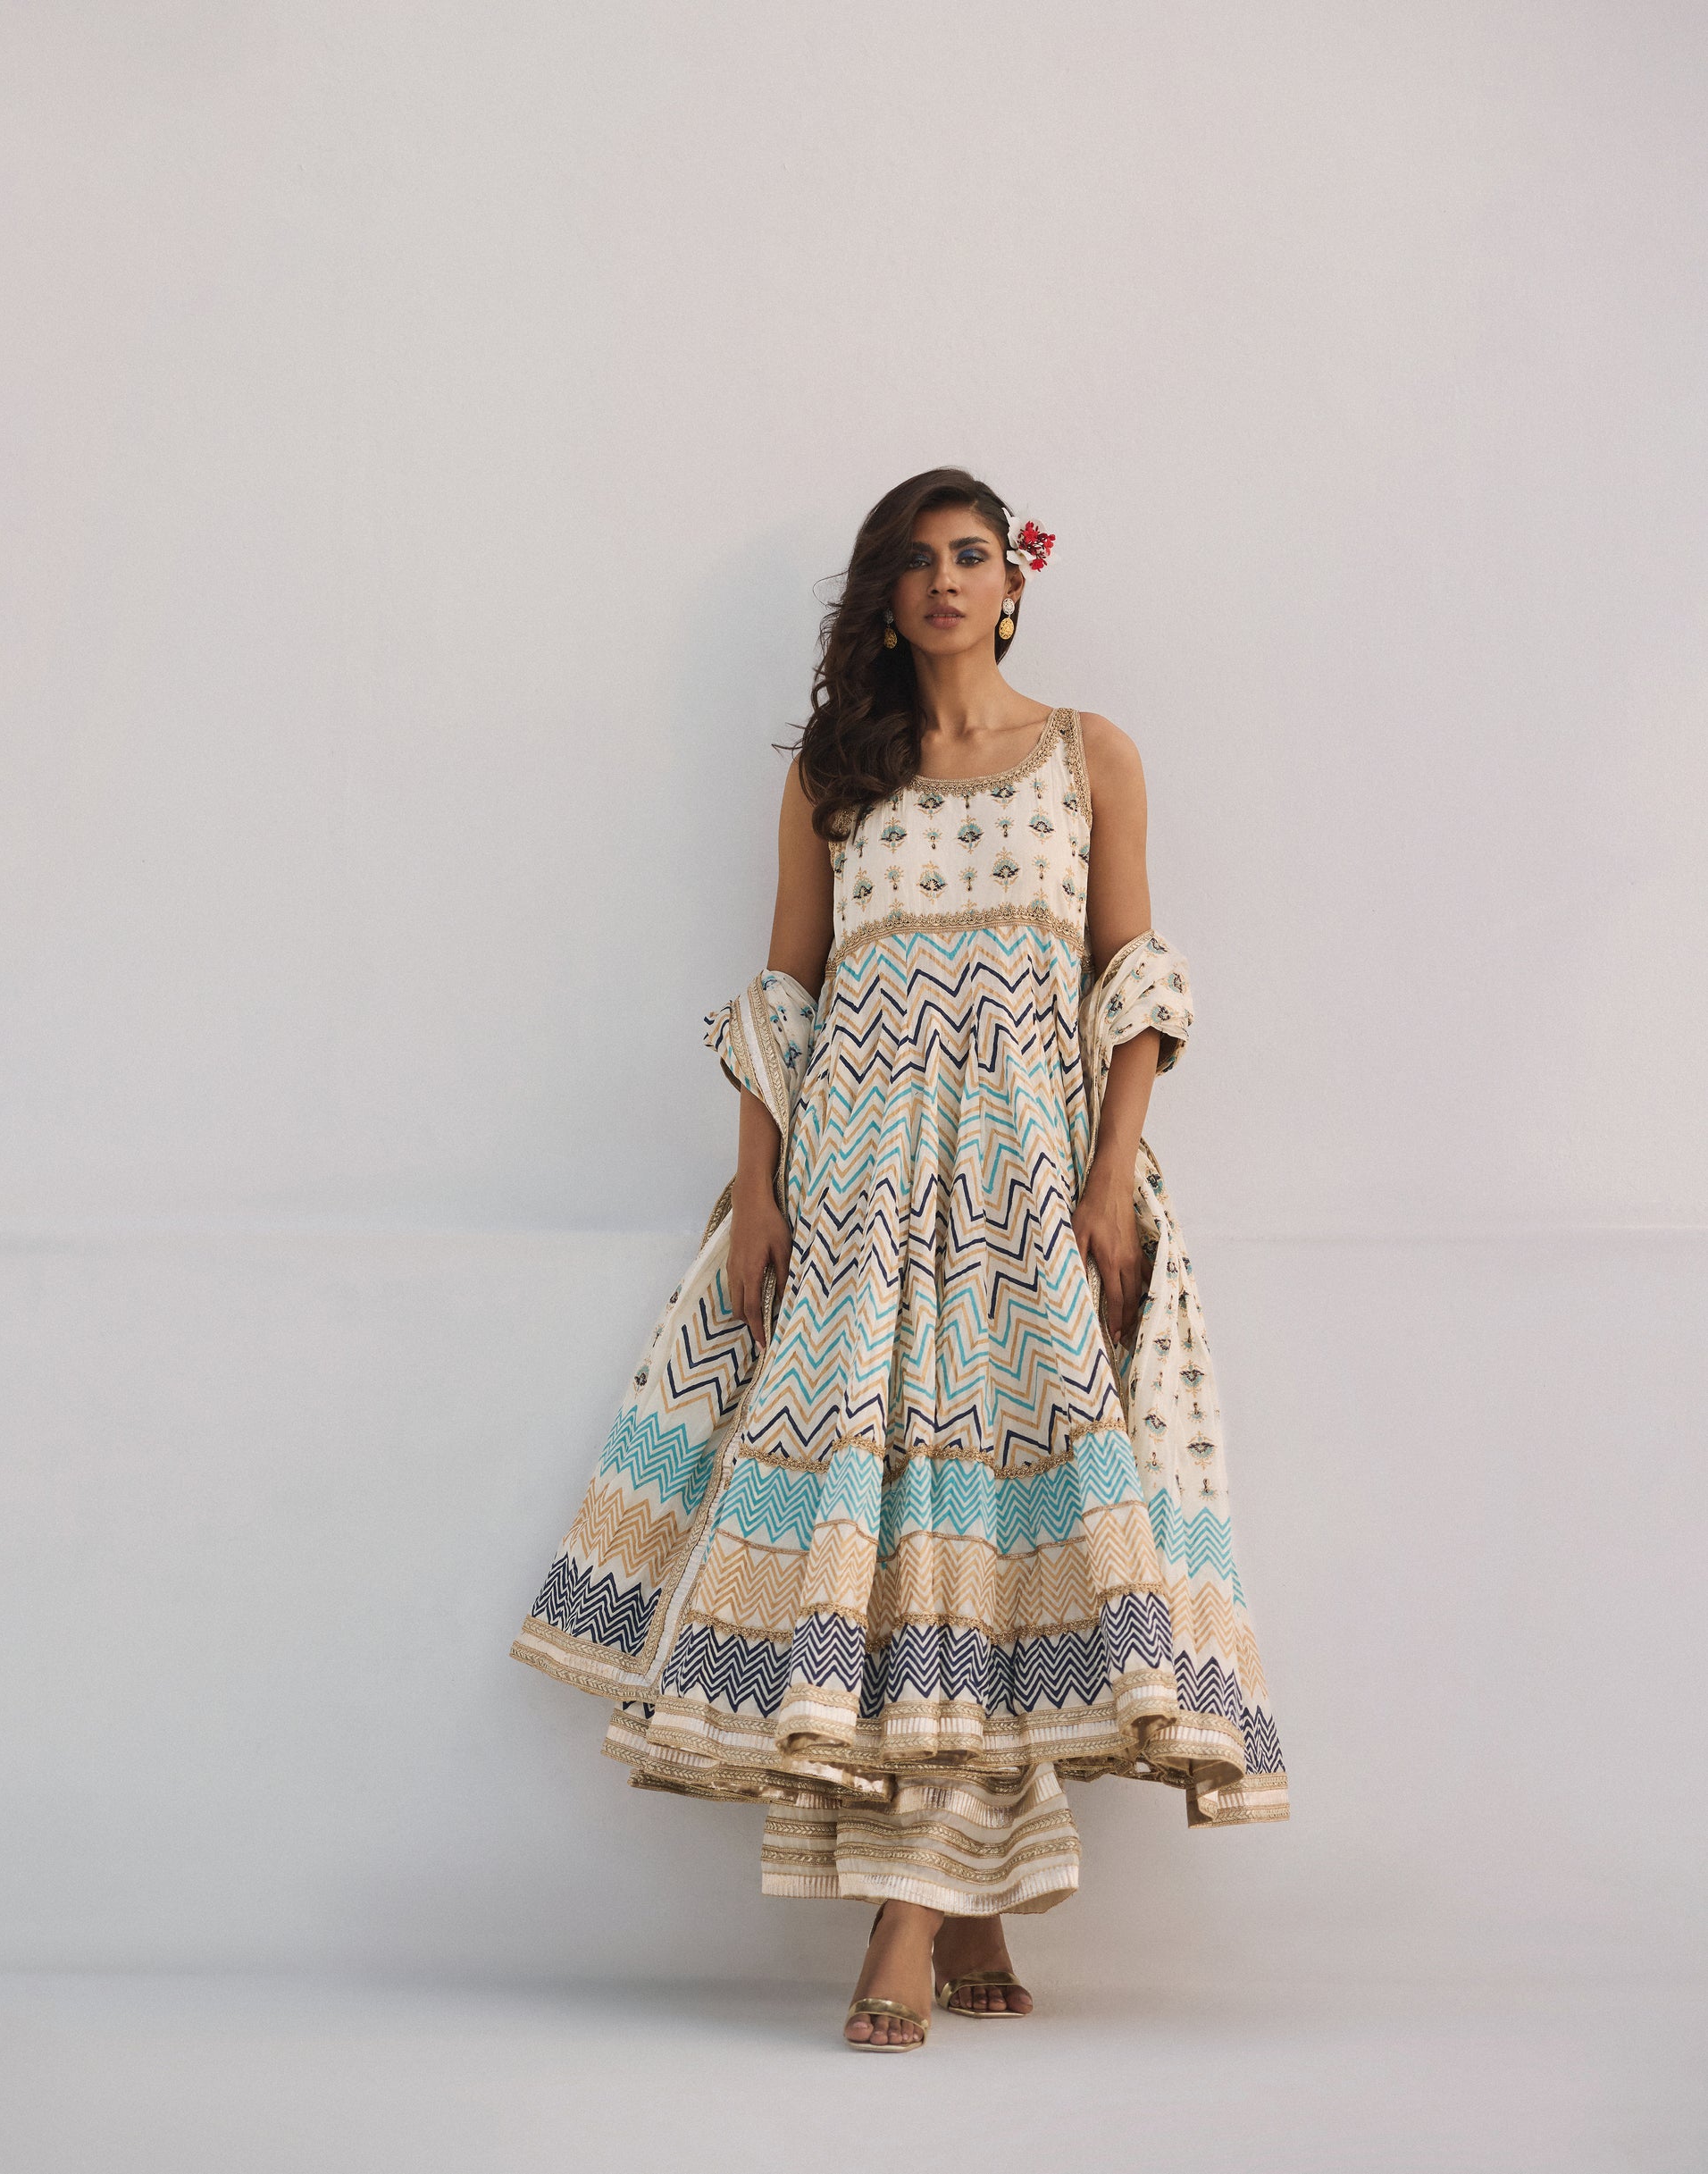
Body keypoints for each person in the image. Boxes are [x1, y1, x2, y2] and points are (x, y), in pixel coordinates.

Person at [511, 467, 1289, 2052]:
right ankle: (956, 1905)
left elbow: (1131, 979)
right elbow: (784, 995)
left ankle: (909, 1918)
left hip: (1026, 1191)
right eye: (915, 560)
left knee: (1001, 1529)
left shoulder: (1088, 754)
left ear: (1011, 583)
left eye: (969, 554)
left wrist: (1111, 1179)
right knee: (892, 1540)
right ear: (884, 597)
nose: (944, 580)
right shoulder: (834, 775)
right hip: (857, 1195)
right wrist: (757, 1192)